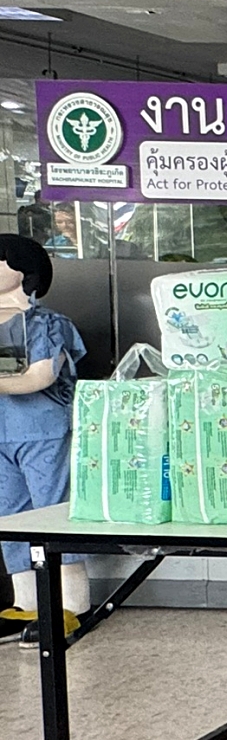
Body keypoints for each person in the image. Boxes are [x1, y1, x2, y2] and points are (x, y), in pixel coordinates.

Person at [0, 236, 89, 639]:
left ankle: (72, 604)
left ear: (25, 270)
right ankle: (27, 604)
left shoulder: (47, 325)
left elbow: (41, 376)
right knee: (10, 517)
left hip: (44, 432)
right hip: (3, 436)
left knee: (54, 514)